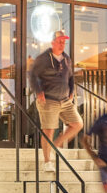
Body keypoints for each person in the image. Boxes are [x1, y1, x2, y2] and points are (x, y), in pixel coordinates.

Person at [29, 29, 83, 164]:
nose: (62, 44)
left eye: (64, 42)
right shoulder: (43, 59)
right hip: (48, 100)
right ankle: (47, 162)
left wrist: (71, 90)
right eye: (59, 42)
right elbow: (32, 75)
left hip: (65, 100)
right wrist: (38, 91)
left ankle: (56, 145)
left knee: (77, 124)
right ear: (53, 42)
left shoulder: (66, 59)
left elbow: (70, 76)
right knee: (49, 131)